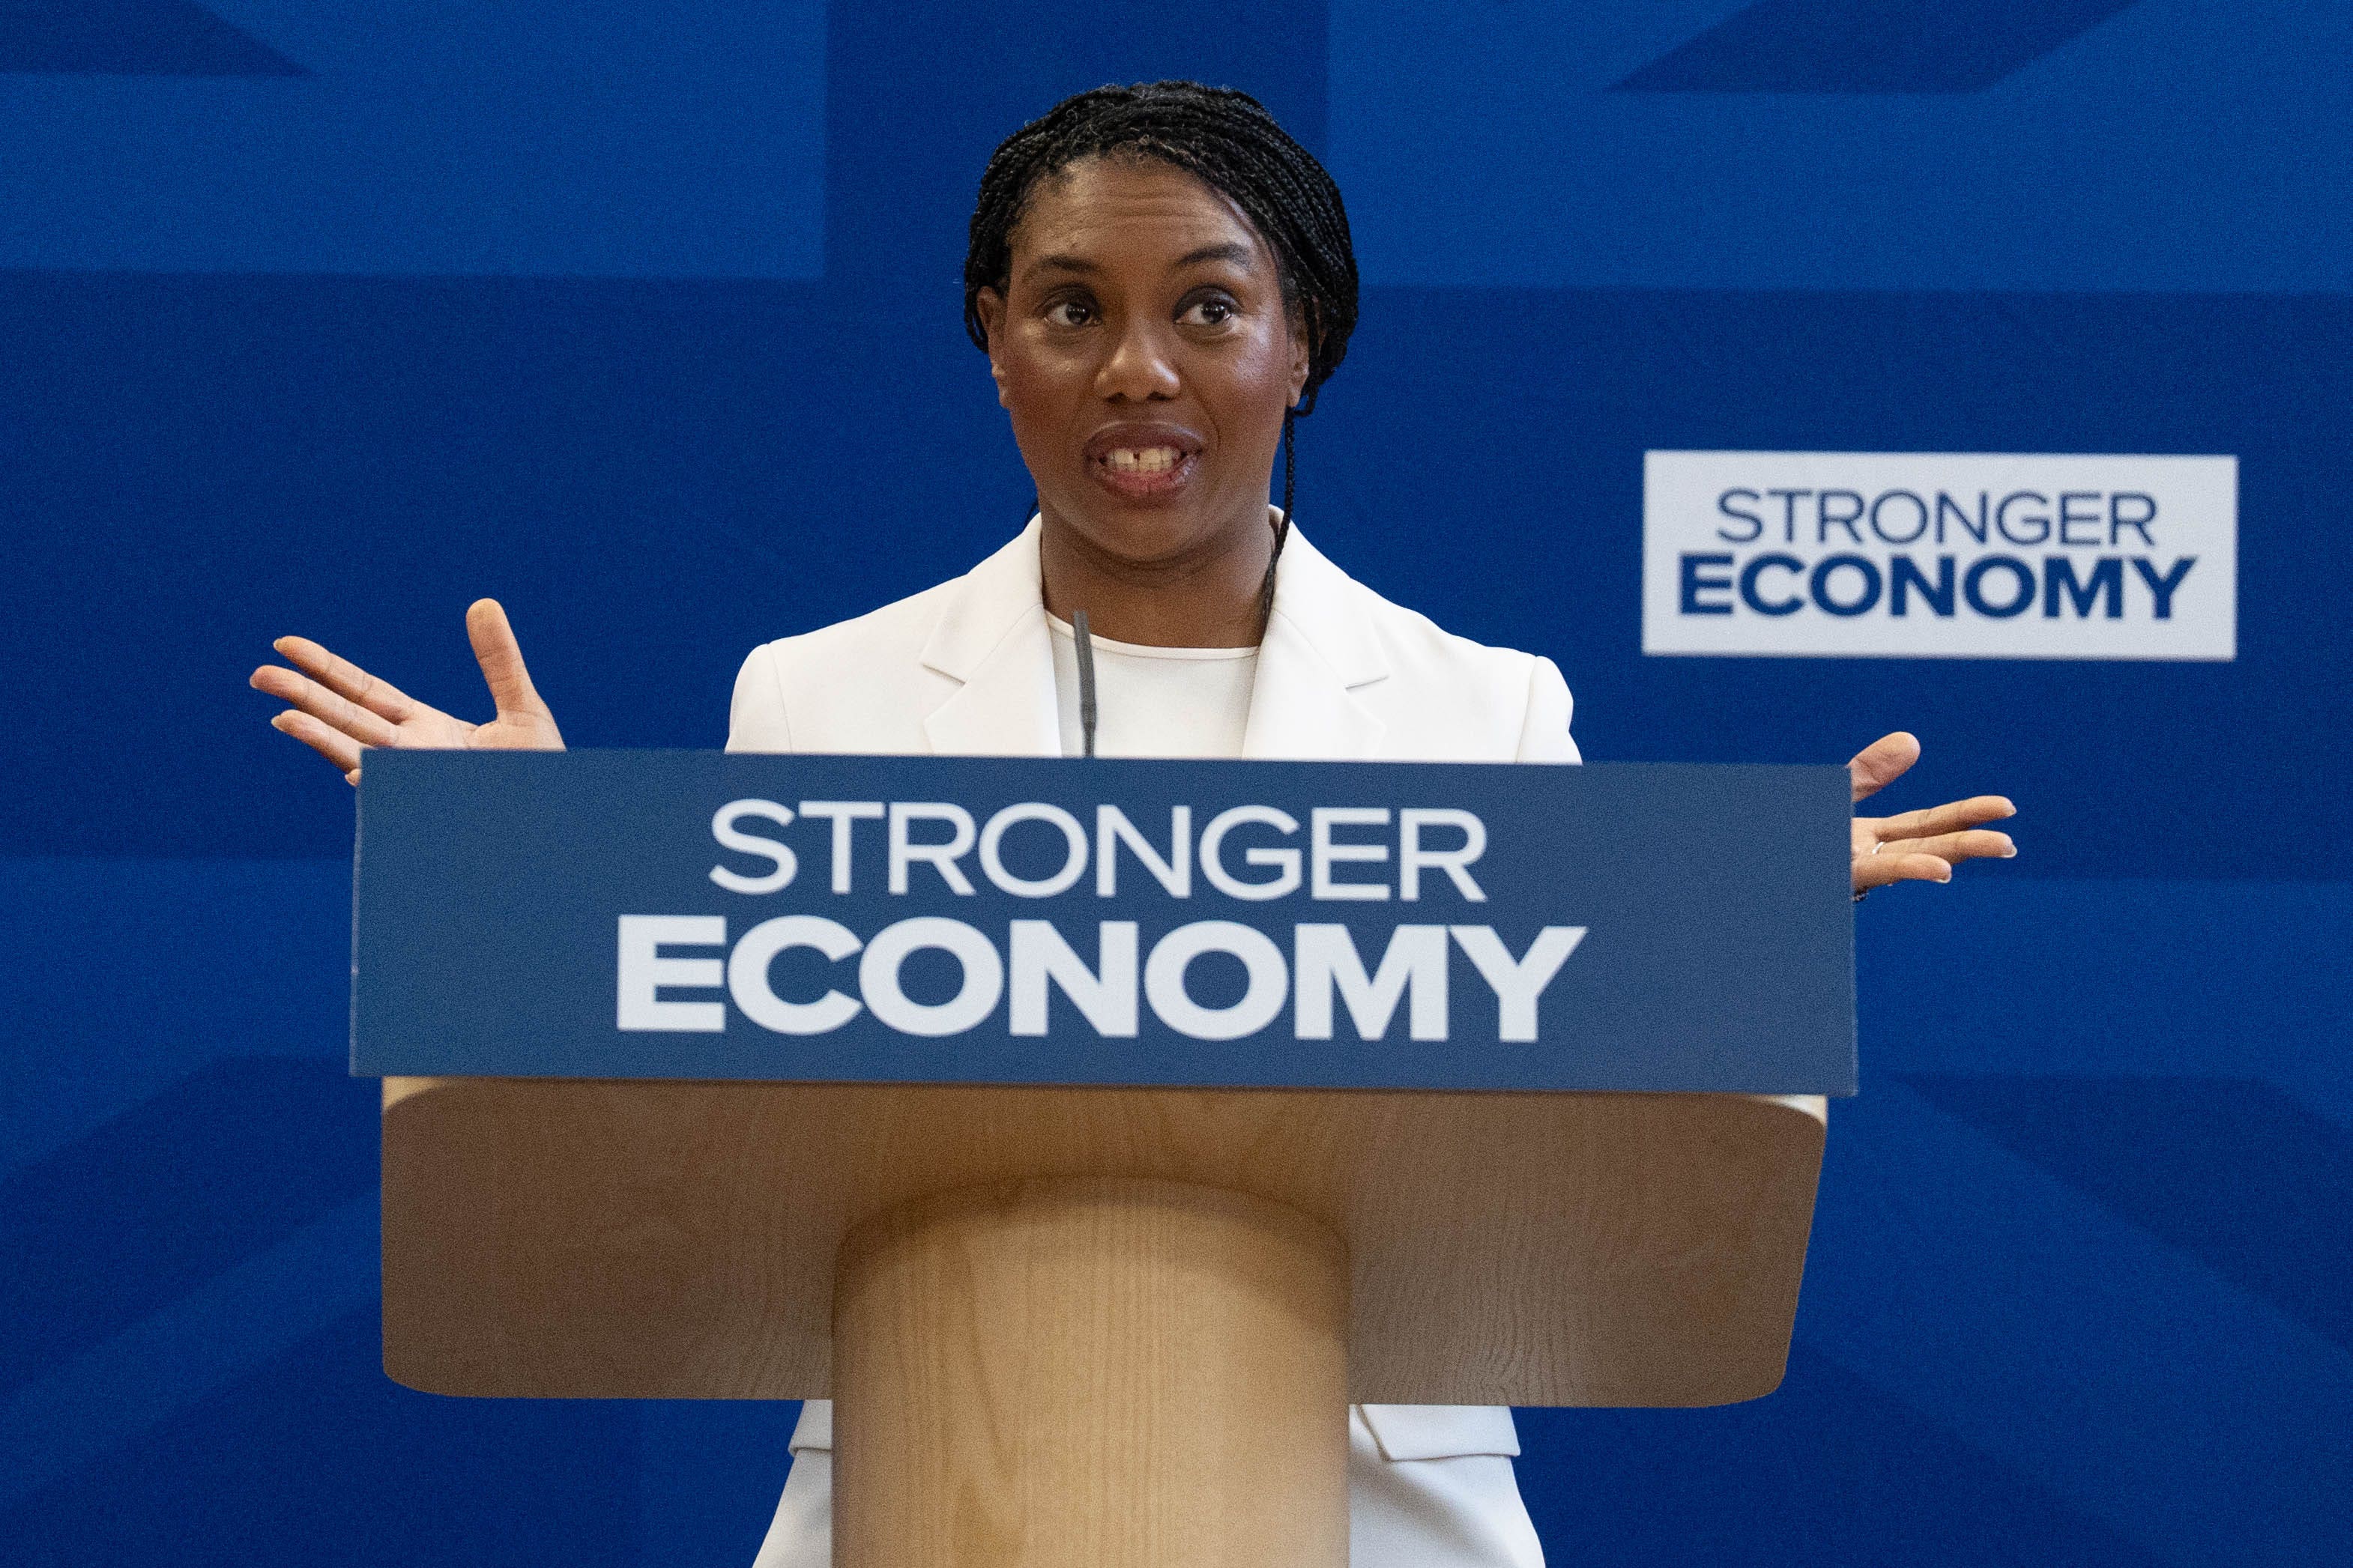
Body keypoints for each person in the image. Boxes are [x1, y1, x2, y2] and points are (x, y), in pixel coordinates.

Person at [251, 80, 2017, 1568]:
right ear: (993, 342)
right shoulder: (816, 700)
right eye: (1072, 306)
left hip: (1380, 1510)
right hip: (920, 1482)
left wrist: (1717, 934)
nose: (1138, 369)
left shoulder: (1490, 713)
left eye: (1209, 308)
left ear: (1301, 345)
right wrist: (545, 882)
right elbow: (711, 1129)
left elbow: (1558, 1128)